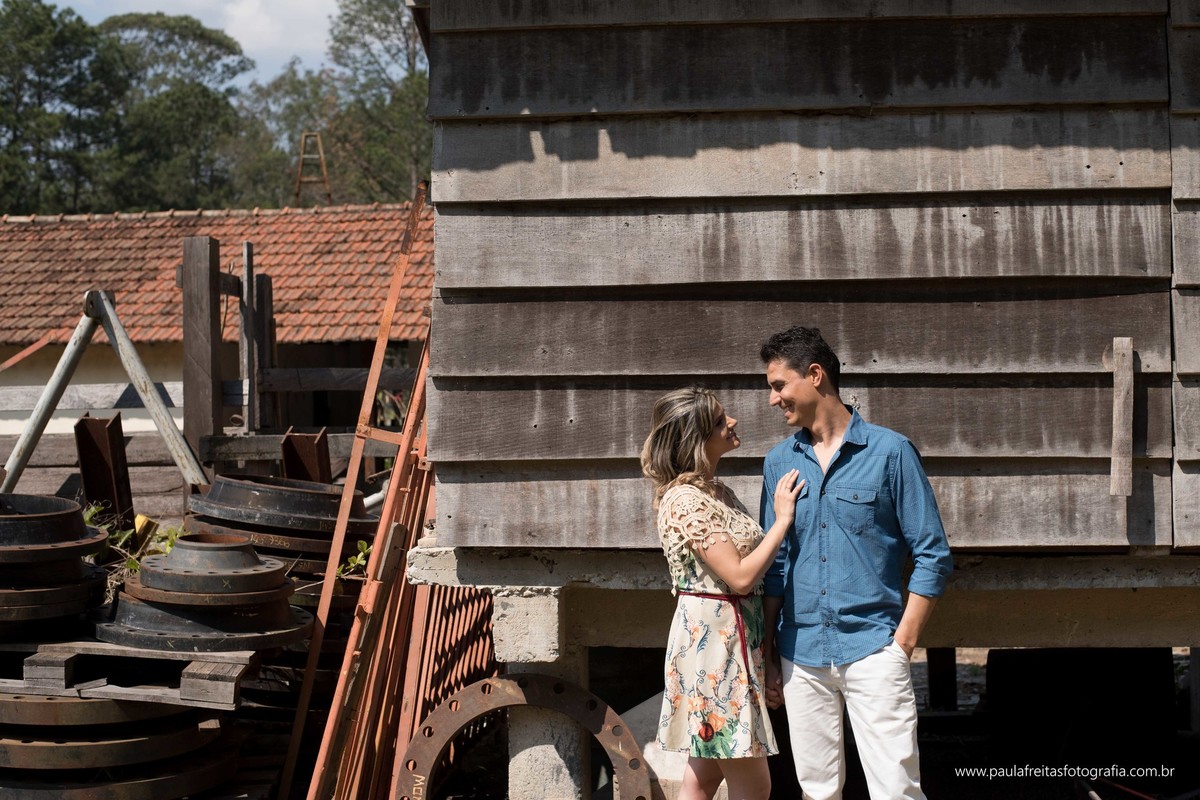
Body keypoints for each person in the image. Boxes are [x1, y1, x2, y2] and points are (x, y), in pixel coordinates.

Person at [757, 326, 954, 800]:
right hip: (800, 654)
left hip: (873, 648)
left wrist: (901, 645)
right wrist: (768, 655)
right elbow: (777, 565)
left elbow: (933, 553)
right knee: (818, 791)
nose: (772, 399)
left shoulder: (890, 452)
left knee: (896, 791)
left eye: (778, 385)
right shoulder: (779, 462)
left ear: (815, 375)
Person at [641, 386, 804, 800]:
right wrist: (783, 519)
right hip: (714, 650)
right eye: (719, 421)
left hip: (733, 639)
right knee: (755, 785)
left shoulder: (718, 493)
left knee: (705, 773)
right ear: (696, 440)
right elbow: (740, 577)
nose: (732, 422)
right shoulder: (686, 501)